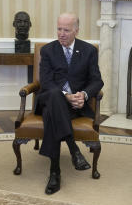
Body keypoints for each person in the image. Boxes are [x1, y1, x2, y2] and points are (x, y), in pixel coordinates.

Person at [35, 12, 103, 195]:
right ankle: (74, 150)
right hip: (51, 98)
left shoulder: (89, 51)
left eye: (66, 30)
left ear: (76, 31)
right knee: (55, 94)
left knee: (52, 114)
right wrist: (66, 95)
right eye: (59, 29)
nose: (61, 33)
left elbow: (97, 81)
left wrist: (84, 95)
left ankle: (55, 172)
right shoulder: (48, 50)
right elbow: (46, 82)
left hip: (74, 106)